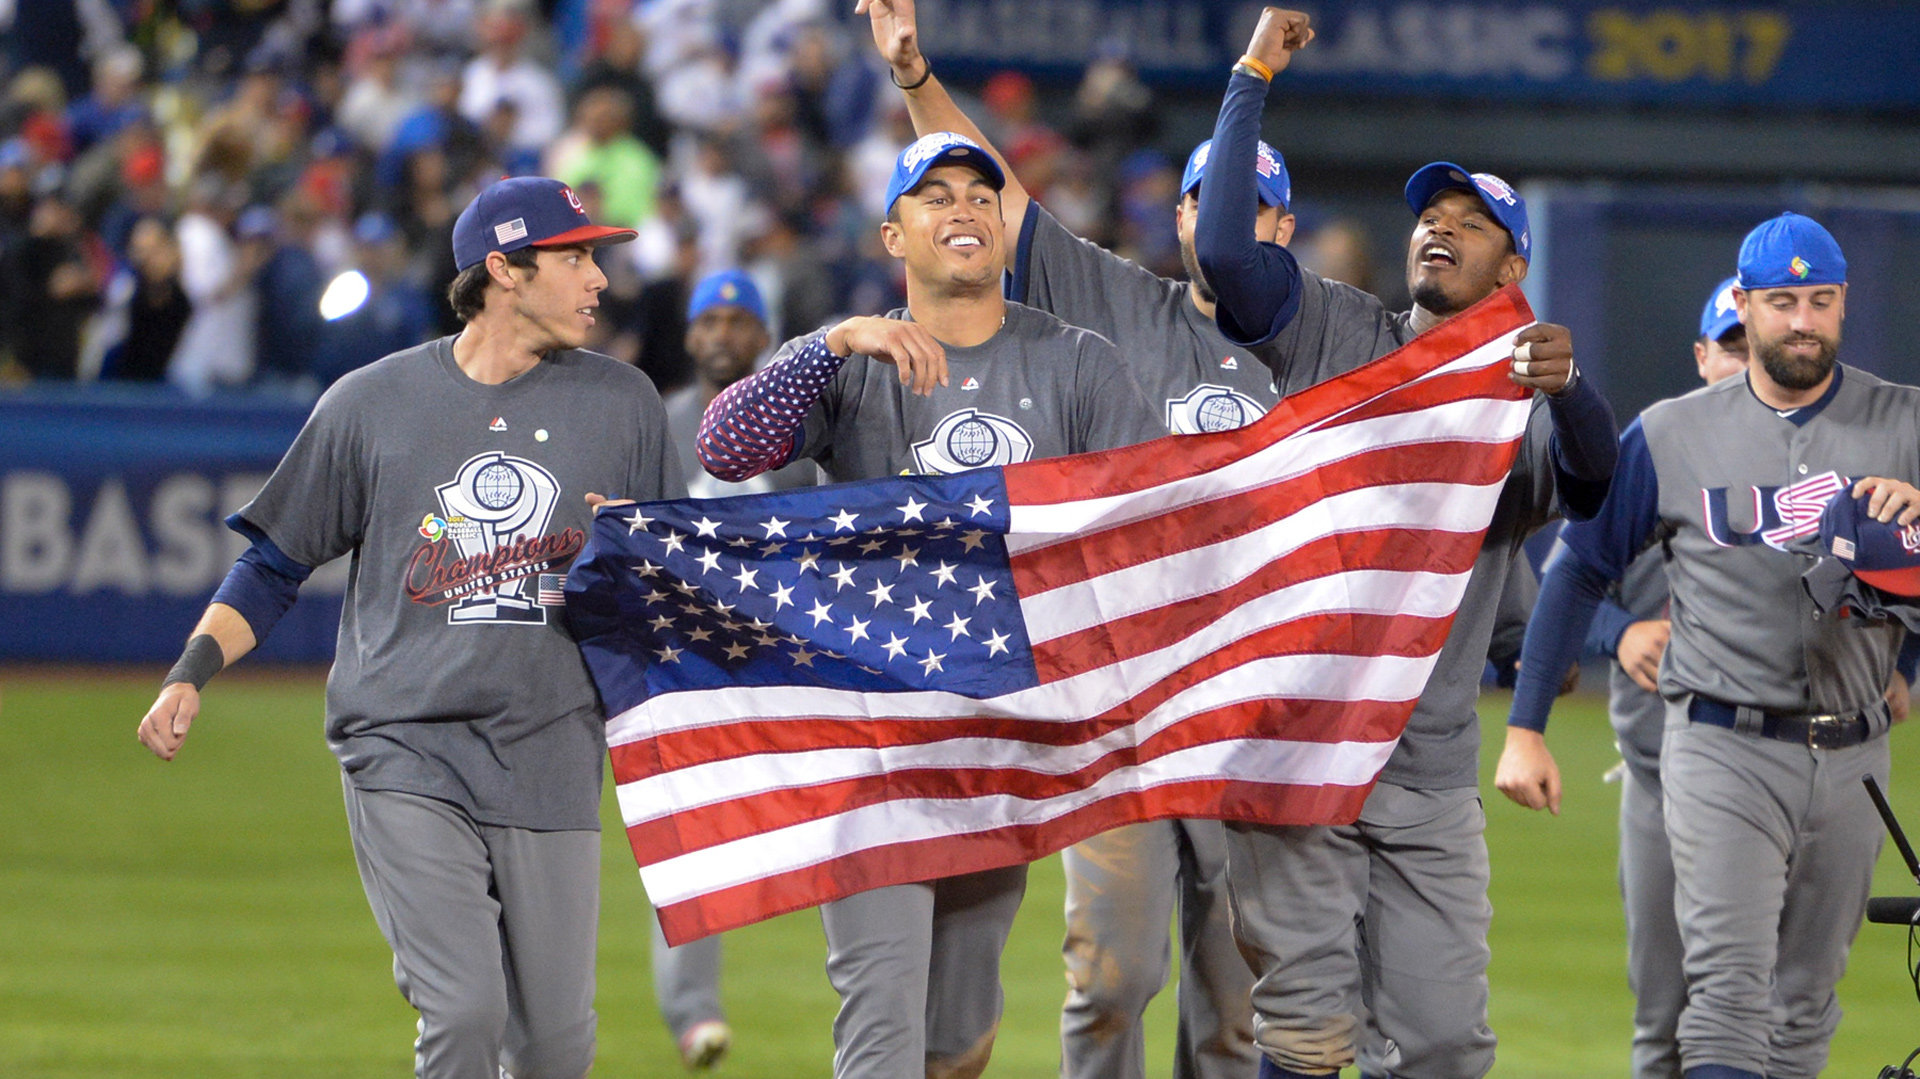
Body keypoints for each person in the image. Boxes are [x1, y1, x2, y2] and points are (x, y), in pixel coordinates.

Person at [135, 175, 680, 1079]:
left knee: (554, 1049)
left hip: (551, 751)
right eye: (578, 256)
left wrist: (635, 556)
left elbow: (670, 590)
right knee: (465, 1010)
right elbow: (274, 562)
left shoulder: (623, 403)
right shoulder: (372, 403)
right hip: (407, 746)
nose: (600, 280)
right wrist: (191, 668)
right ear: (504, 269)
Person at [1191, 11, 1621, 1078]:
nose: (1437, 226)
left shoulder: (1516, 406)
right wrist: (1254, 75)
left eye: (1469, 221)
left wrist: (1571, 394)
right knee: (1304, 1028)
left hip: (1426, 768)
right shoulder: (1339, 333)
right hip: (1299, 742)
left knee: (1439, 1042)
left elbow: (1594, 484)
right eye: (1429, 212)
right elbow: (1227, 253)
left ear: (1511, 264)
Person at [857, 2, 1281, 1075]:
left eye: (1256, 211)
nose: (1226, 222)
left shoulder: (1329, 334)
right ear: (1183, 216)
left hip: (1249, 702)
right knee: (1111, 978)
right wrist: (916, 80)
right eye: (1204, 200)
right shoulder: (1122, 307)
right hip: (1123, 700)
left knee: (1242, 997)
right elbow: (993, 191)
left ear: (1281, 230)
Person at [696, 131, 1163, 1079]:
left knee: (957, 1033)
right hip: (874, 742)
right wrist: (830, 342)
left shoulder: (1076, 362)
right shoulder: (851, 362)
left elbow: (1149, 523)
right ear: (893, 235)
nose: (964, 209)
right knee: (882, 1025)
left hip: (1000, 744)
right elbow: (724, 444)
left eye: (981, 196)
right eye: (936, 196)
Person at [1503, 212, 1918, 1079]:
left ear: (1843, 304)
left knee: (1804, 1007)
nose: (1801, 319)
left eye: (1821, 300)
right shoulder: (1670, 432)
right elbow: (1578, 567)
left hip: (1855, 753)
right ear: (1748, 305)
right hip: (1720, 744)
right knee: (1724, 999)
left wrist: (1909, 654)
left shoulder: (1905, 422)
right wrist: (1526, 725)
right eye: (1780, 302)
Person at [1494, 277, 1749, 1079]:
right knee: (1663, 1020)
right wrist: (1619, 630)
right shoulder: (1660, 452)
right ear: (1702, 355)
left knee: (1769, 1011)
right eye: (1730, 346)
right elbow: (1575, 577)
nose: (1743, 362)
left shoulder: (1805, 466)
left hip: (1774, 770)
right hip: (1657, 772)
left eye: (1754, 343)